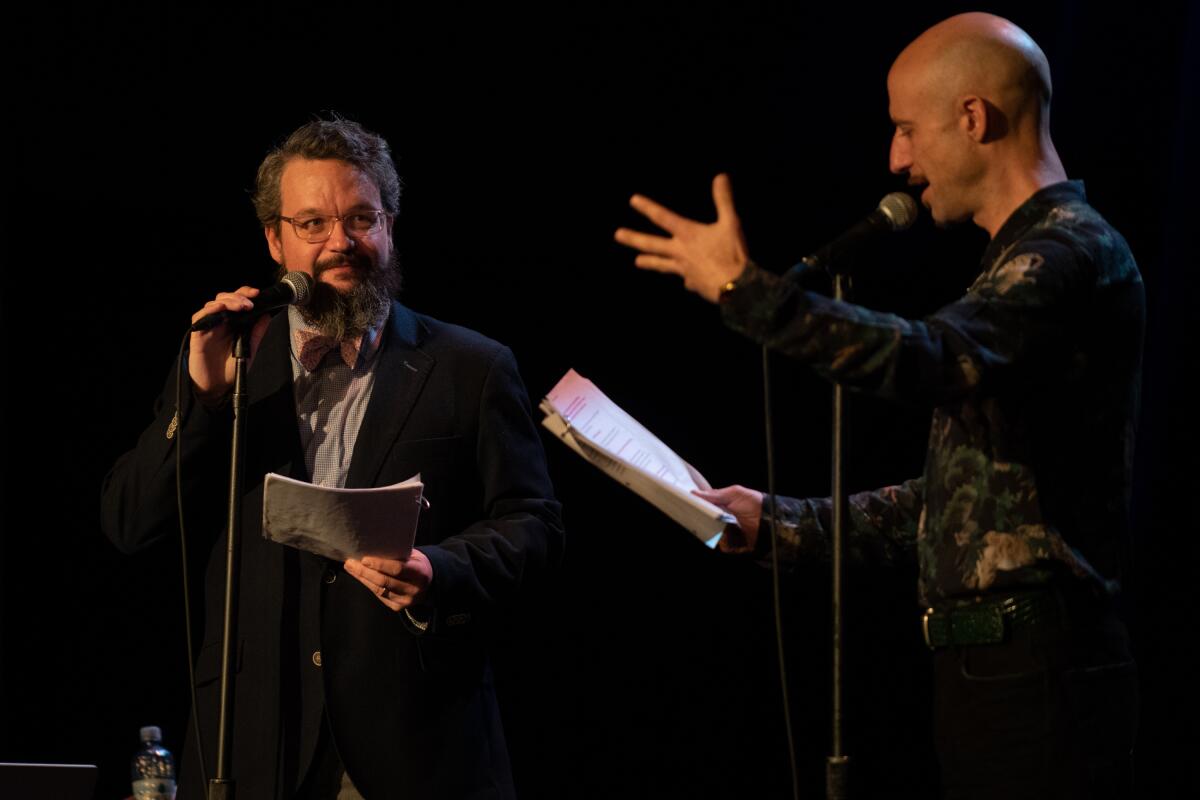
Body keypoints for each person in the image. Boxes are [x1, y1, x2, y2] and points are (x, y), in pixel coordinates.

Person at [615, 12, 1141, 799]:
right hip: (994, 674)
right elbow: (950, 505)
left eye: (906, 129)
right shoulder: (1019, 268)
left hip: (1039, 676)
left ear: (973, 118)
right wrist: (776, 521)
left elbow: (927, 358)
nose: (897, 160)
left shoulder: (1066, 253)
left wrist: (746, 293)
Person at [102, 117, 564, 799]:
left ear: (389, 227)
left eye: (360, 219)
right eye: (312, 224)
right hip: (252, 740)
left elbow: (535, 526)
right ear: (274, 239)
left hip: (416, 738)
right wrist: (199, 399)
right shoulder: (229, 361)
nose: (340, 244)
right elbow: (130, 522)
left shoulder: (471, 366)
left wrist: (441, 568)